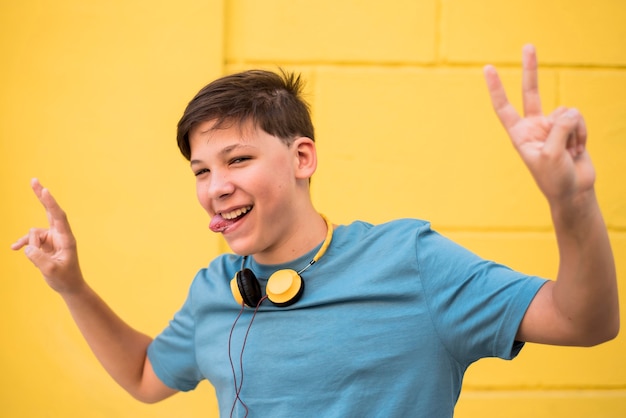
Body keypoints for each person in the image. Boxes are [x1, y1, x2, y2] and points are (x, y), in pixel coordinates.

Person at [12, 44, 619, 417]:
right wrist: (71, 286)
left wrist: (572, 201)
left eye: (237, 160)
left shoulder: (410, 259)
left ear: (302, 158)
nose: (214, 185)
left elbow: (584, 323)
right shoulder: (215, 287)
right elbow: (146, 378)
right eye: (201, 170)